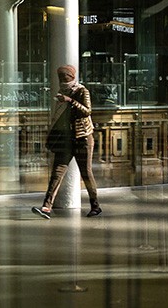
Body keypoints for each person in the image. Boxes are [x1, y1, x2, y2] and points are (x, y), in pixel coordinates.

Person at [32, 65, 102, 219]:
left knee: (86, 173)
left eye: (65, 77)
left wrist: (70, 100)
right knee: (57, 173)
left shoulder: (81, 91)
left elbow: (87, 111)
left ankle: (95, 205)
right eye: (60, 77)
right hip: (65, 139)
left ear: (71, 76)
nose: (62, 80)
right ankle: (46, 206)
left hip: (82, 138)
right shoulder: (61, 93)